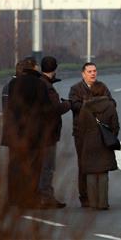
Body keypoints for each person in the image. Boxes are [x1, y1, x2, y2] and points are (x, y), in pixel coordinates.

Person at [2, 57, 52, 208]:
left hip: (15, 133)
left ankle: (13, 198)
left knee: (15, 166)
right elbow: (46, 109)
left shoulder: (12, 84)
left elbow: (8, 108)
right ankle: (29, 198)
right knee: (34, 167)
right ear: (33, 68)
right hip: (34, 133)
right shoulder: (39, 84)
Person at [69, 62, 113, 207]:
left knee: (101, 165)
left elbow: (112, 103)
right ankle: (85, 196)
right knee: (84, 164)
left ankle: (100, 198)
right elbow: (74, 106)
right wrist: (90, 105)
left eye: (95, 71)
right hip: (82, 133)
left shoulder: (102, 87)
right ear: (83, 74)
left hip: (101, 133)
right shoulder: (76, 89)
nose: (93, 73)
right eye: (89, 71)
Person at [78, 81, 119, 210]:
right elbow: (115, 126)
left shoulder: (85, 107)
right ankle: (103, 203)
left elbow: (80, 127)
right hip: (105, 142)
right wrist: (110, 136)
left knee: (90, 172)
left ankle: (93, 202)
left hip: (89, 142)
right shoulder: (110, 106)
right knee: (103, 172)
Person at [38, 56, 70, 209]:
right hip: (48, 133)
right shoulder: (47, 87)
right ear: (55, 69)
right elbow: (55, 109)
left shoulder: (39, 83)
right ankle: (46, 197)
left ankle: (40, 194)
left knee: (41, 165)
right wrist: (67, 104)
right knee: (48, 166)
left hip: (39, 132)